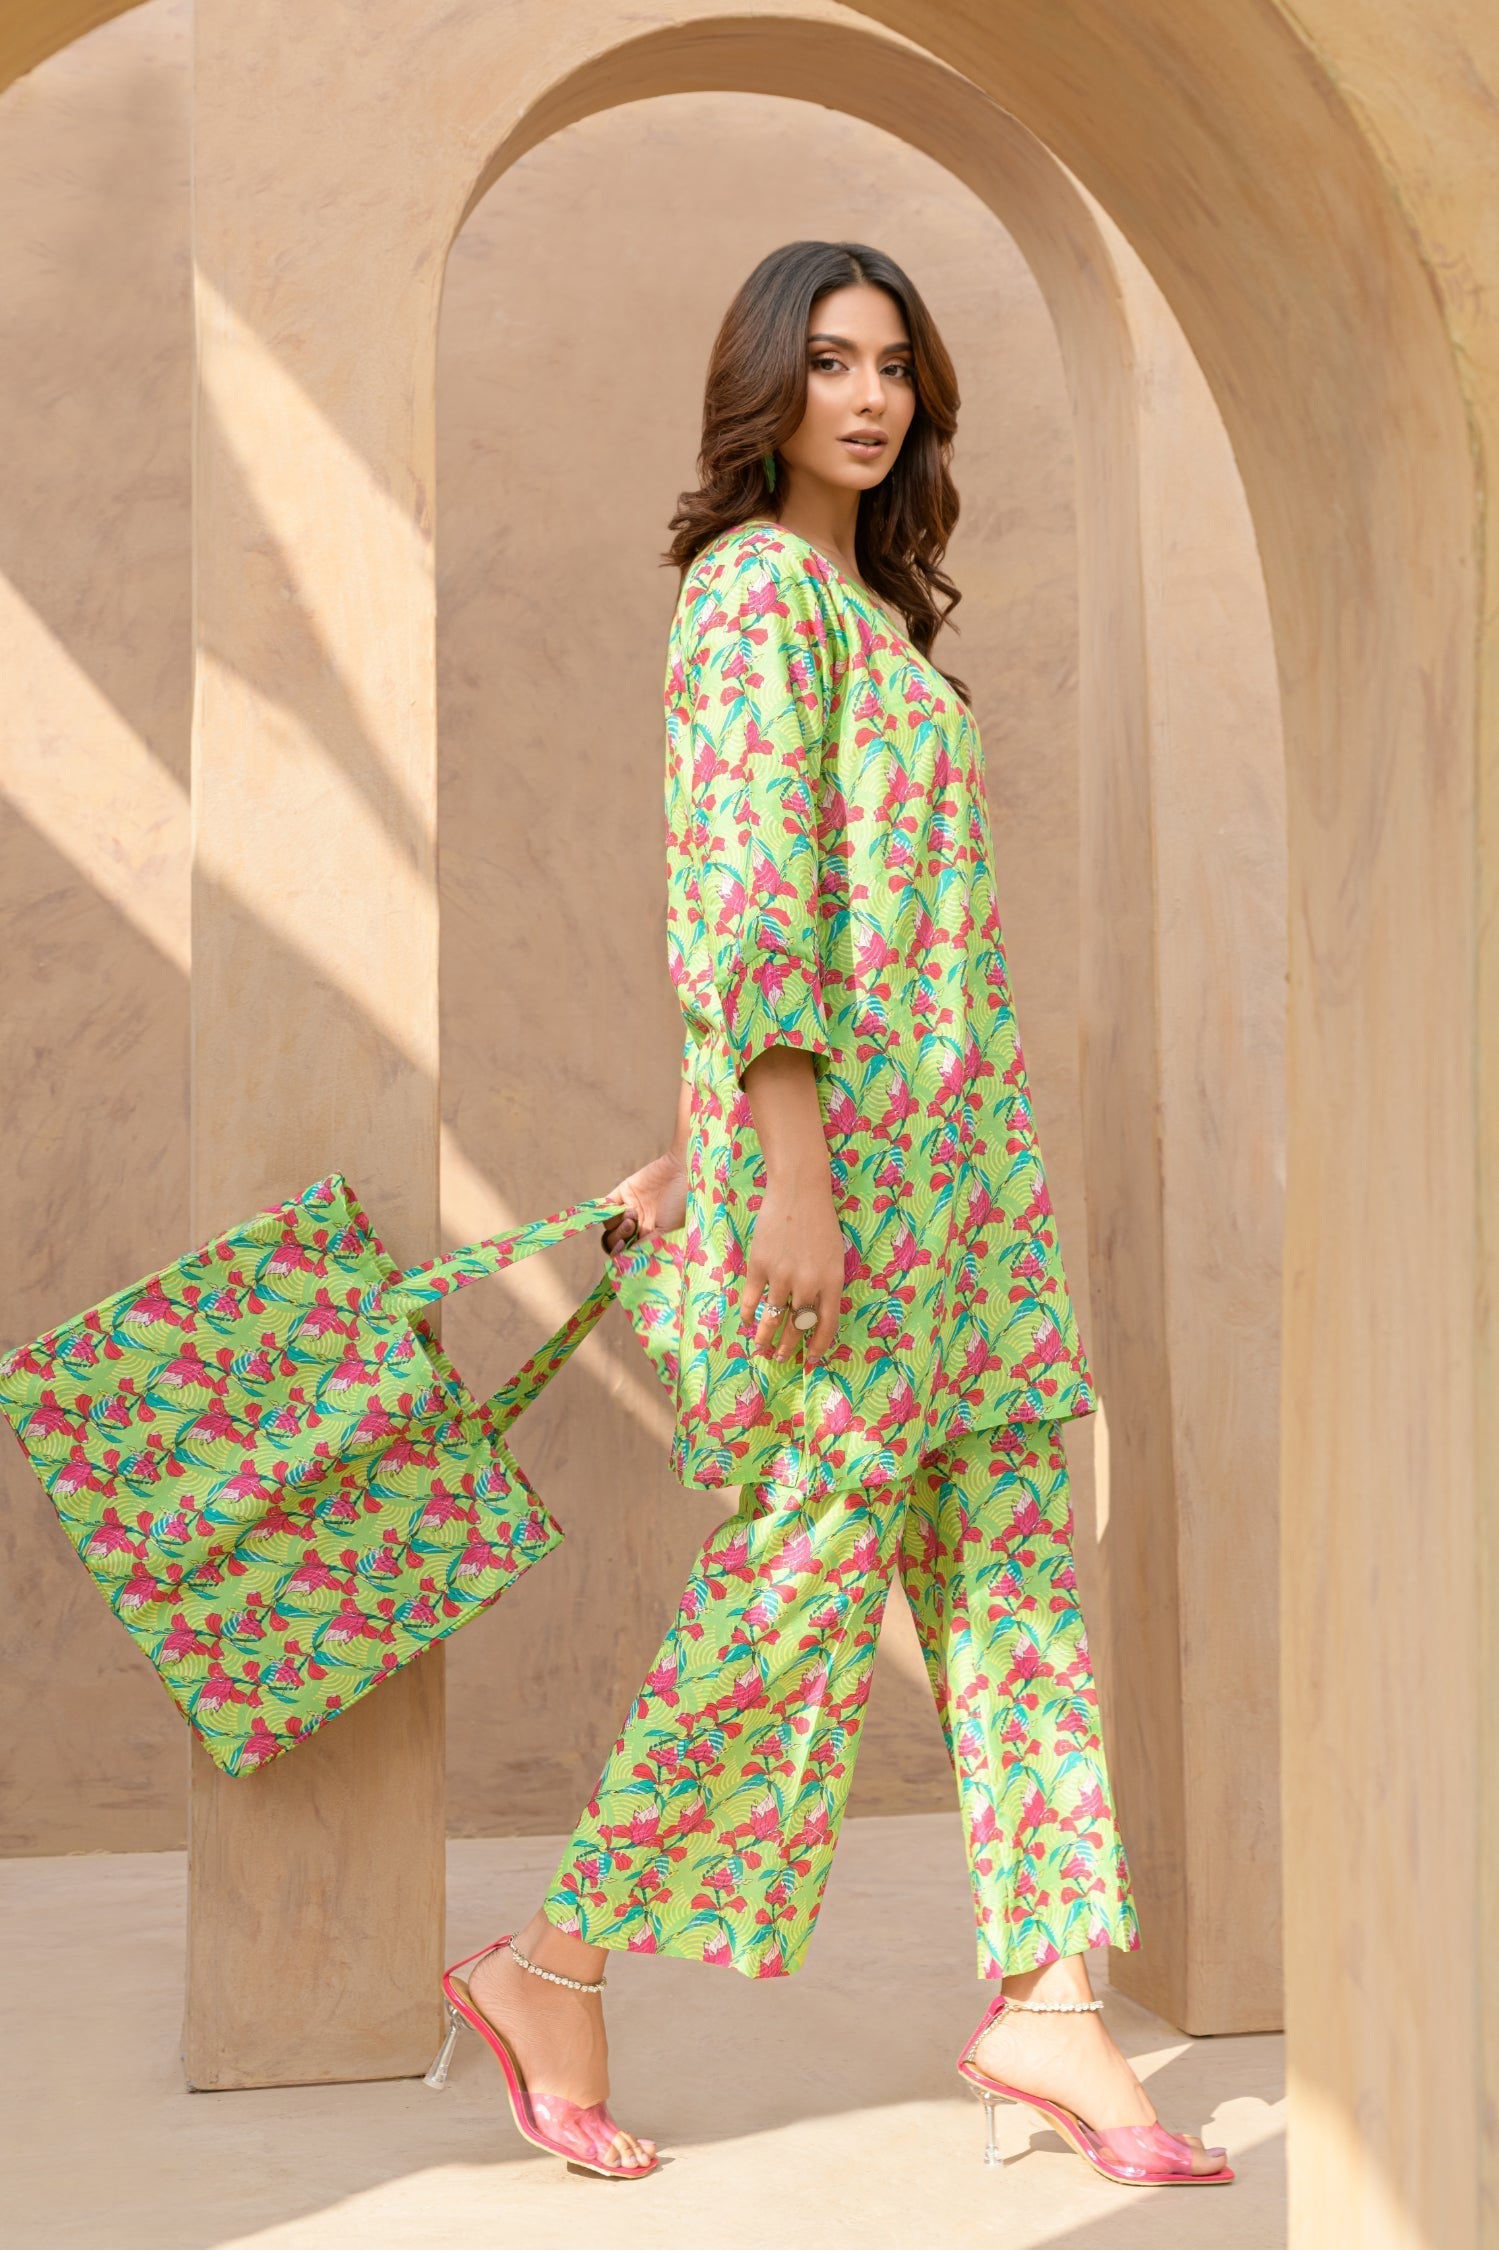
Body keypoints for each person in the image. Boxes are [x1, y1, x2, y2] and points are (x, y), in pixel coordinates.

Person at [426, 240, 1233, 2189]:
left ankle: (1055, 2000)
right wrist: (779, 1165)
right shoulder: (750, 594)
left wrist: (698, 1142)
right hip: (852, 1201)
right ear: (767, 386)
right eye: (835, 362)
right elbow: (745, 890)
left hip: (972, 1198)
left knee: (1021, 1579)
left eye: (896, 368)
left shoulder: (874, 617)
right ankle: (549, 1966)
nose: (869, 398)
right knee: (796, 1580)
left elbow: (866, 909)